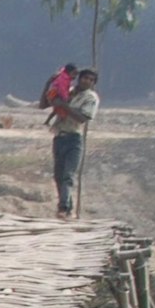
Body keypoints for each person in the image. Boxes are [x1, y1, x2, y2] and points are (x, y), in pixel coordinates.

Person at [51, 67, 100, 219]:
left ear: (93, 83)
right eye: (85, 78)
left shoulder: (91, 98)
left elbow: (82, 118)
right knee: (58, 176)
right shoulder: (68, 91)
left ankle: (63, 207)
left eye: (91, 80)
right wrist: (50, 83)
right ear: (79, 78)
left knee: (68, 175)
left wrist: (64, 105)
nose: (87, 81)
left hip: (74, 139)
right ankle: (67, 208)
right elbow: (47, 102)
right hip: (59, 137)